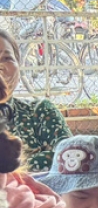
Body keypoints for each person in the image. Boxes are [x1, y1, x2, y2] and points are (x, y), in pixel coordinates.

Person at [0, 28, 73, 171]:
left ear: (19, 65)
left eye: (7, 59)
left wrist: (14, 167)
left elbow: (71, 157)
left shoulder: (40, 111)